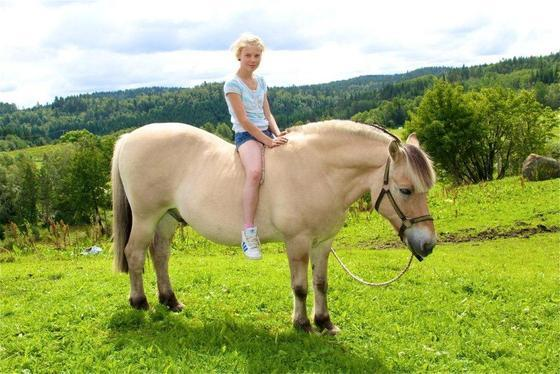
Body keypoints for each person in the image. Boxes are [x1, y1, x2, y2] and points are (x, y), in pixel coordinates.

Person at [224, 33, 288, 260]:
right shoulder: (232, 85)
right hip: (247, 136)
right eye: (248, 55)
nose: (253, 59)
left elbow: (267, 112)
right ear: (238, 56)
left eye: (257, 55)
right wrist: (268, 141)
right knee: (254, 173)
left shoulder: (260, 81)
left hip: (268, 131)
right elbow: (244, 121)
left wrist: (279, 134)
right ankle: (248, 232)